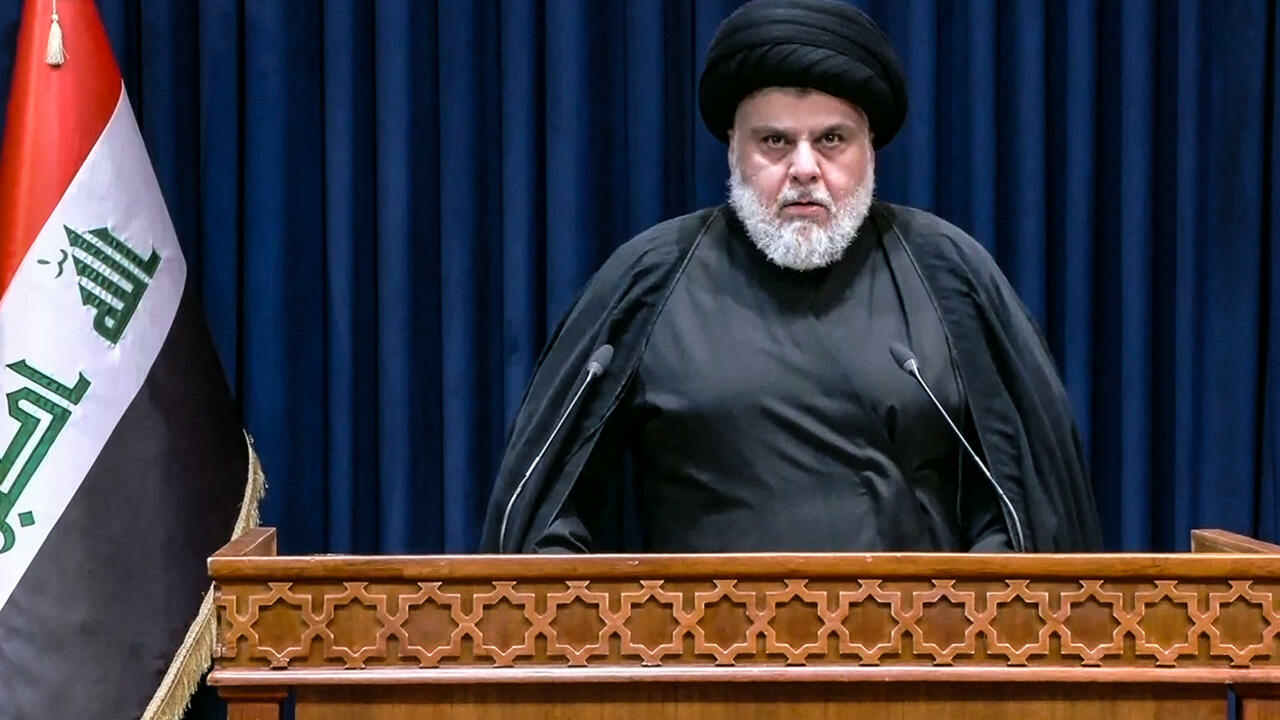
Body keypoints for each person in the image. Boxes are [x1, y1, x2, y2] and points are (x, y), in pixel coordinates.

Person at [480, 0, 1102, 554]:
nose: (804, 168)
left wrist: (967, 615)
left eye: (831, 139)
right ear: (733, 146)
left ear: (870, 147)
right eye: (775, 141)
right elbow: (541, 509)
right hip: (699, 647)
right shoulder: (648, 279)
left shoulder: (947, 273)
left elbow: (1028, 505)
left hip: (916, 644)